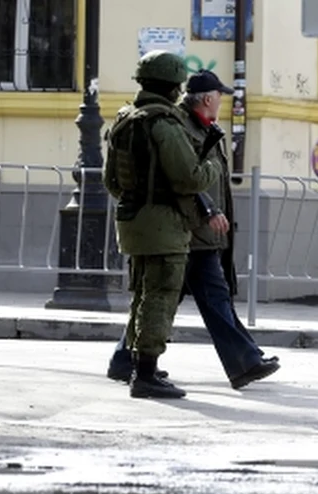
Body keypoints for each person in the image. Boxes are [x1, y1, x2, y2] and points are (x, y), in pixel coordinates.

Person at [107, 69, 280, 391]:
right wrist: (208, 210)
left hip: (189, 229)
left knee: (159, 298)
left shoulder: (197, 125)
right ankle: (243, 362)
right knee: (176, 297)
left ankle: (126, 360)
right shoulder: (177, 126)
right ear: (208, 98)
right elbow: (183, 177)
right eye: (219, 96)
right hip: (189, 229)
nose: (222, 101)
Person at [103, 50, 222, 400]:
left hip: (132, 220)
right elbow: (190, 178)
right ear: (172, 87)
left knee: (142, 295)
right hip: (163, 225)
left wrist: (141, 196)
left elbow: (112, 182)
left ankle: (135, 364)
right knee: (160, 297)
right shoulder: (164, 124)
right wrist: (213, 164)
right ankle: (146, 375)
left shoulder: (125, 118)